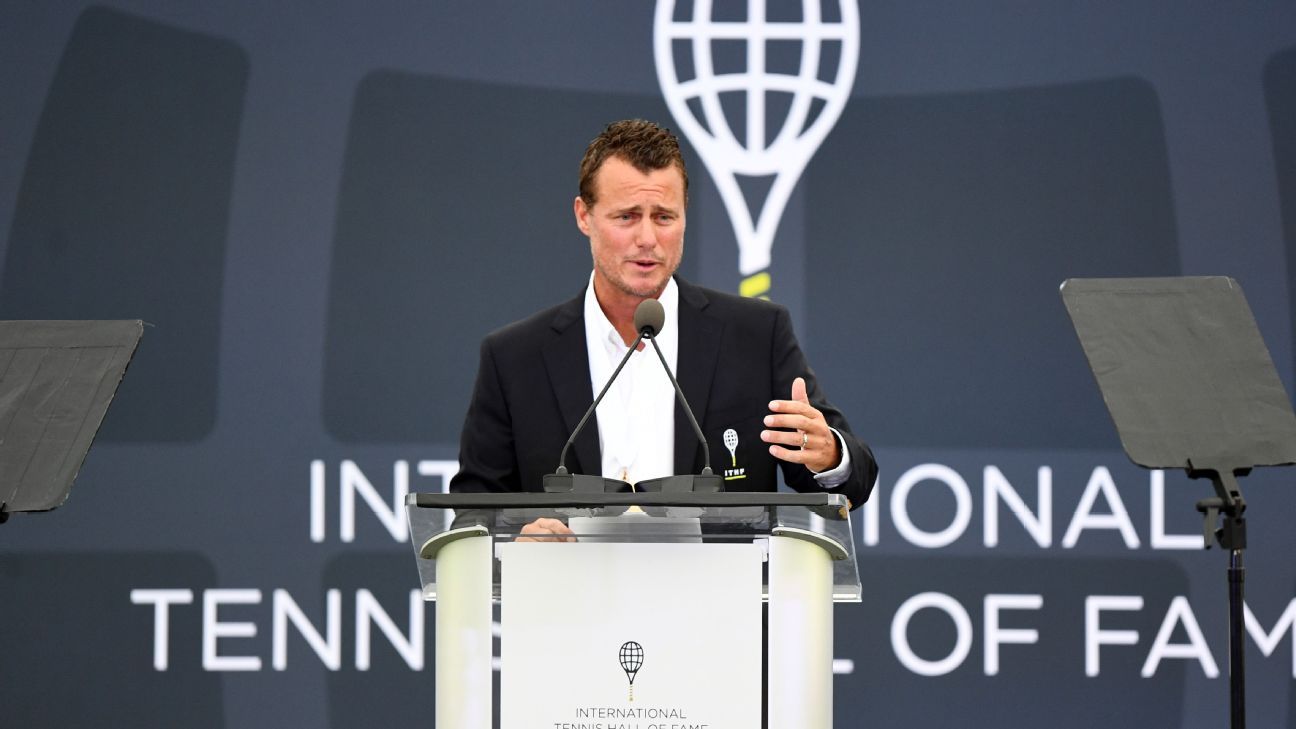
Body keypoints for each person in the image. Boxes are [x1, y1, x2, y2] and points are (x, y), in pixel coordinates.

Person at [449, 119, 876, 539]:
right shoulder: (515, 358)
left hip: (717, 585)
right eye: (627, 216)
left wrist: (828, 453)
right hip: (567, 586)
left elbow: (854, 479)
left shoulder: (756, 336)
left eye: (664, 217)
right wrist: (518, 542)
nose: (647, 238)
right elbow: (471, 517)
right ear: (584, 216)